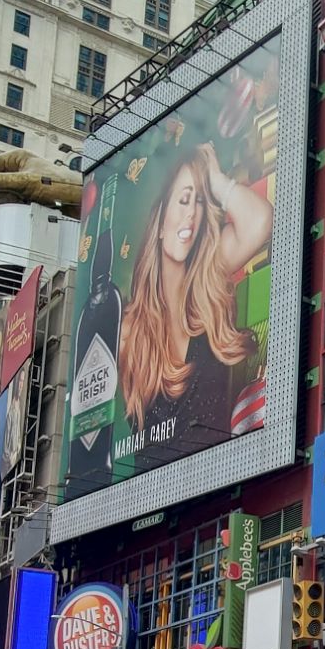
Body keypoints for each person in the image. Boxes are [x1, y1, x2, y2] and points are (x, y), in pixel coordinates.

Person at [119, 142, 274, 472]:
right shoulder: (129, 325)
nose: (191, 212)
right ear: (160, 223)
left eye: (199, 202)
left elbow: (260, 220)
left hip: (225, 476)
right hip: (151, 498)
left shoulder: (209, 283)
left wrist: (218, 181)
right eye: (183, 199)